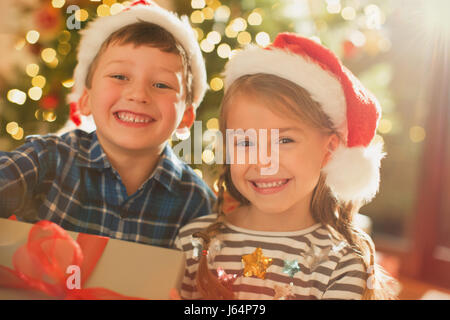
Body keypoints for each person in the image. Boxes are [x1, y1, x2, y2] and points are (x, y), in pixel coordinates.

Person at [175, 33, 398, 299]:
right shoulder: (194, 242)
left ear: (329, 150)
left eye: (284, 139)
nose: (262, 161)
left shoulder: (342, 263)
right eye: (246, 143)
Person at [0, 0, 215, 249]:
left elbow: (204, 278)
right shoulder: (47, 159)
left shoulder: (197, 203)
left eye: (161, 85)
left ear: (187, 117)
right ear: (86, 100)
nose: (138, 95)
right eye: (119, 76)